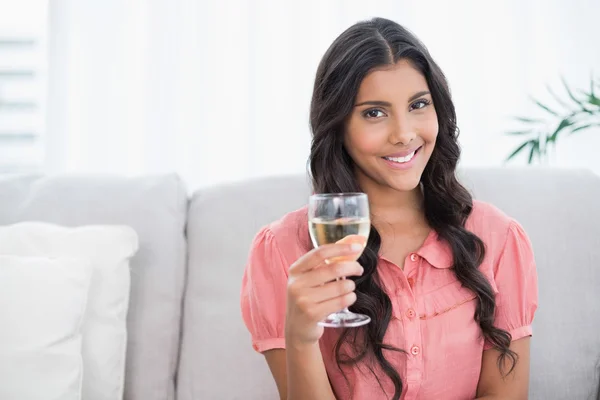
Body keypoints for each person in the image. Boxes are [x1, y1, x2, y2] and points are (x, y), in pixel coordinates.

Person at [240, 17, 538, 400]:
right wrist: (299, 338)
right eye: (374, 113)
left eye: (418, 104)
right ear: (337, 124)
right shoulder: (281, 251)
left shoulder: (498, 238)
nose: (403, 133)